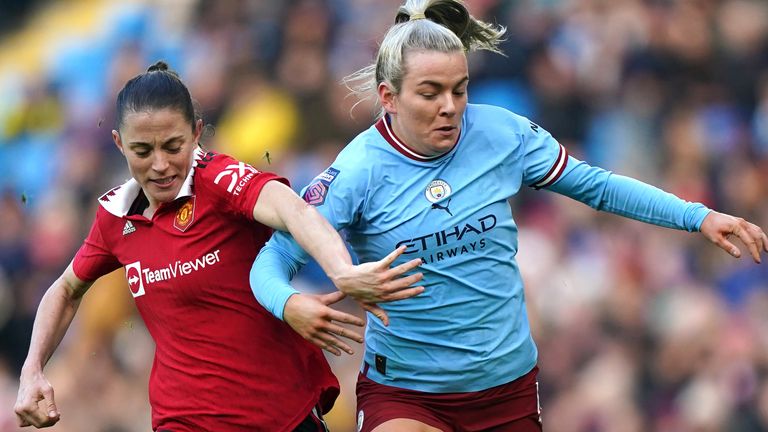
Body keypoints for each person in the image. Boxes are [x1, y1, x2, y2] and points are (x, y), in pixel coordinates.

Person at [250, 1, 768, 431]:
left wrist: (696, 217)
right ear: (389, 97)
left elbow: (597, 187)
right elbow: (269, 264)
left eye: (460, 88)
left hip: (507, 390)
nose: (451, 106)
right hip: (408, 395)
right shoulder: (357, 173)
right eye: (430, 93)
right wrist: (292, 304)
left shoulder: (503, 134)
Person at [13, 61, 424, 432]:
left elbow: (295, 212)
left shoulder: (221, 180)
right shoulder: (115, 217)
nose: (159, 164)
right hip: (183, 419)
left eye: (173, 146)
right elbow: (65, 289)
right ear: (120, 144)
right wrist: (32, 370)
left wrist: (342, 272)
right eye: (142, 150)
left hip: (281, 414)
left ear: (196, 133)